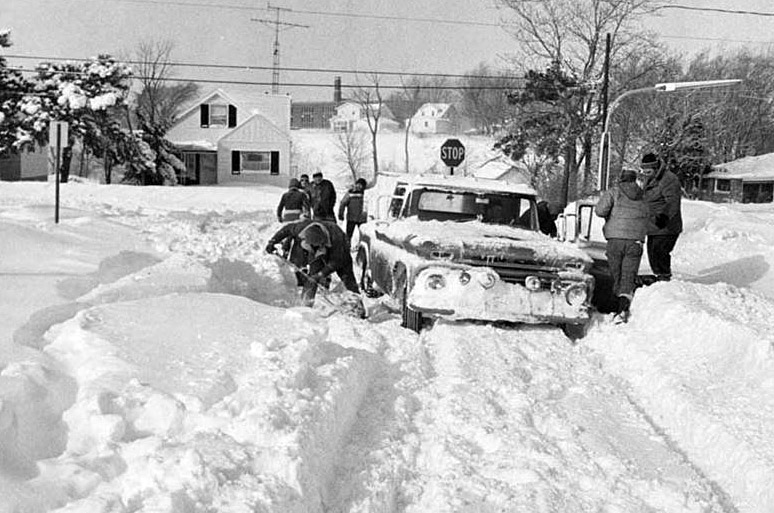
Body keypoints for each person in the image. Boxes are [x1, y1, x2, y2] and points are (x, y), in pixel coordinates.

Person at [595, 168, 651, 323]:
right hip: (636, 241)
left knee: (615, 274)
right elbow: (648, 216)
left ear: (621, 179)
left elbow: (600, 211)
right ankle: (622, 310)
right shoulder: (643, 196)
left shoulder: (614, 192)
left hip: (615, 239)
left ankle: (611, 307)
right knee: (628, 276)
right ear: (634, 180)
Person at [265, 218, 359, 306]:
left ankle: (357, 306)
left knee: (348, 279)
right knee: (311, 278)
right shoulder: (301, 228)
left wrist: (321, 274)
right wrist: (272, 242)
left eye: (317, 245)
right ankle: (305, 304)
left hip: (341, 254)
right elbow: (287, 229)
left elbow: (337, 261)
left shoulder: (336, 237)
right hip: (319, 250)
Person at [640, 152, 683, 282]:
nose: (645, 174)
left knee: (660, 252)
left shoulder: (669, 179)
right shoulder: (650, 178)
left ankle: (664, 279)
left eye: (648, 171)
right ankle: (660, 279)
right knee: (652, 254)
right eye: (644, 171)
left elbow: (673, 201)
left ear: (655, 167)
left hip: (666, 225)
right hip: (653, 226)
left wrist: (664, 216)